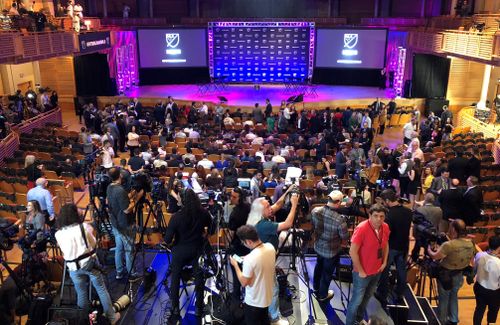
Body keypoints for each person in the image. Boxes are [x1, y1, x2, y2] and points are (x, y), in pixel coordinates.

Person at [54, 204, 120, 324]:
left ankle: (84, 320)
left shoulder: (58, 234)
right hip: (89, 264)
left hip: (73, 268)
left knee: (81, 293)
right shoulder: (82, 227)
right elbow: (94, 243)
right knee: (101, 289)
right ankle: (112, 317)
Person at [247, 187, 299, 325]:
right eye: (268, 206)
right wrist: (294, 204)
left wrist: (288, 191)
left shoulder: (256, 217)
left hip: (262, 260)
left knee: (267, 288)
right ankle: (274, 318)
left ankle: (268, 313)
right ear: (261, 210)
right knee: (273, 289)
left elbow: (278, 204)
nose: (271, 207)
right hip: (264, 263)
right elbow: (288, 224)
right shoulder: (263, 225)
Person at [164, 189, 211, 324]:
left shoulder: (176, 217)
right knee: (199, 278)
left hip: (180, 251)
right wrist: (204, 236)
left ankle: (175, 308)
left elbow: (167, 240)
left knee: (175, 279)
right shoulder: (203, 213)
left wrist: (171, 242)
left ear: (182, 201)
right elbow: (212, 228)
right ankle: (199, 308)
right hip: (197, 249)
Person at [346, 203, 390, 325]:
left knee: (367, 298)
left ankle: (359, 319)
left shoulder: (385, 227)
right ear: (370, 215)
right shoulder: (362, 228)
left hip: (377, 271)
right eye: (376, 216)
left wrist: (384, 262)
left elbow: (386, 244)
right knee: (356, 302)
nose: (379, 219)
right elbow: (352, 251)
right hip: (362, 273)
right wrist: (361, 271)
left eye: (382, 216)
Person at [427, 219, 476, 325]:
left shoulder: (449, 245)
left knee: (444, 299)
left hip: (446, 277)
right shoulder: (471, 243)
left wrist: (429, 249)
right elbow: (471, 259)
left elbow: (435, 256)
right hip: (459, 275)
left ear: (453, 229)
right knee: (454, 296)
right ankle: (454, 319)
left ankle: (442, 321)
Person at [229, 225, 276, 325]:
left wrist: (236, 265)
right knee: (264, 320)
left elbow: (244, 282)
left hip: (254, 302)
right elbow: (260, 257)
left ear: (249, 241)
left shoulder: (251, 259)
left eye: (244, 242)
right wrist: (247, 257)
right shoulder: (270, 247)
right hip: (267, 298)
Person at [375, 190, 412, 307]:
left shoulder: (389, 215)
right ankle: (400, 293)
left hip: (391, 247)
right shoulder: (408, 211)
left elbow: (385, 234)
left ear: (387, 201)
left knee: (384, 270)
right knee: (402, 271)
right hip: (404, 246)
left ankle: (382, 293)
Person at [311, 190, 349, 301]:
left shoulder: (315, 211)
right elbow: (345, 237)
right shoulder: (339, 219)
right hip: (331, 251)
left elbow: (313, 226)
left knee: (318, 267)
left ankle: (316, 288)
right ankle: (323, 295)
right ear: (338, 202)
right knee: (327, 273)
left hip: (318, 247)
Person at [106, 167, 141, 280]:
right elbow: (126, 209)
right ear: (120, 176)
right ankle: (132, 273)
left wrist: (131, 195)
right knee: (129, 250)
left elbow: (117, 201)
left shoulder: (109, 187)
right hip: (124, 225)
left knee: (119, 248)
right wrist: (137, 199)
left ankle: (119, 272)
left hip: (115, 223)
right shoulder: (120, 190)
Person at [228, 187, 251, 300]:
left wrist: (228, 246)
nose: (231, 198)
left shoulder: (234, 214)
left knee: (236, 273)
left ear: (240, 198)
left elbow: (231, 235)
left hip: (237, 248)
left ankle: (236, 298)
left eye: (233, 197)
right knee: (248, 271)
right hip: (249, 246)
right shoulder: (249, 207)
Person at [473, 235, 499, 325]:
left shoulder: (479, 255)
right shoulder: (499, 262)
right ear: (498, 247)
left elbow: (474, 270)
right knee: (493, 311)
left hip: (479, 288)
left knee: (479, 309)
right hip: (494, 292)